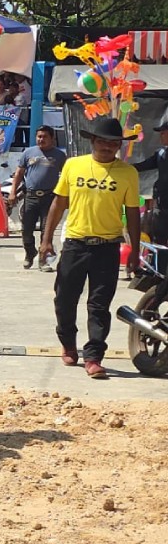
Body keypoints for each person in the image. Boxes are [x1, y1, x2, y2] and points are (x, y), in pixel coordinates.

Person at [40, 117, 141, 379]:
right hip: (75, 244)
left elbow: (132, 215)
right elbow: (58, 203)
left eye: (113, 142)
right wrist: (46, 239)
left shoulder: (128, 173)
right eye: (103, 141)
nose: (107, 146)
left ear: (119, 146)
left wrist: (135, 251)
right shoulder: (74, 165)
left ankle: (94, 356)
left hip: (107, 248)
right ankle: (69, 345)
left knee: (99, 306)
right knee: (64, 300)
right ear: (93, 141)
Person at [10, 126, 66, 270]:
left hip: (50, 198)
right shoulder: (28, 153)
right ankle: (30, 253)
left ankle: (43, 260)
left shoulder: (59, 155)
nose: (41, 139)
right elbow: (19, 174)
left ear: (52, 138)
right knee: (26, 230)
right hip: (31, 197)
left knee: (46, 230)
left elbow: (67, 177)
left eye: (44, 137)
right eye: (39, 136)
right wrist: (12, 192)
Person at [130, 117, 168, 245]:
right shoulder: (161, 153)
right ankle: (160, 264)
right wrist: (125, 168)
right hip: (161, 204)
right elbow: (144, 165)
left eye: (163, 133)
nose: (161, 136)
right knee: (159, 238)